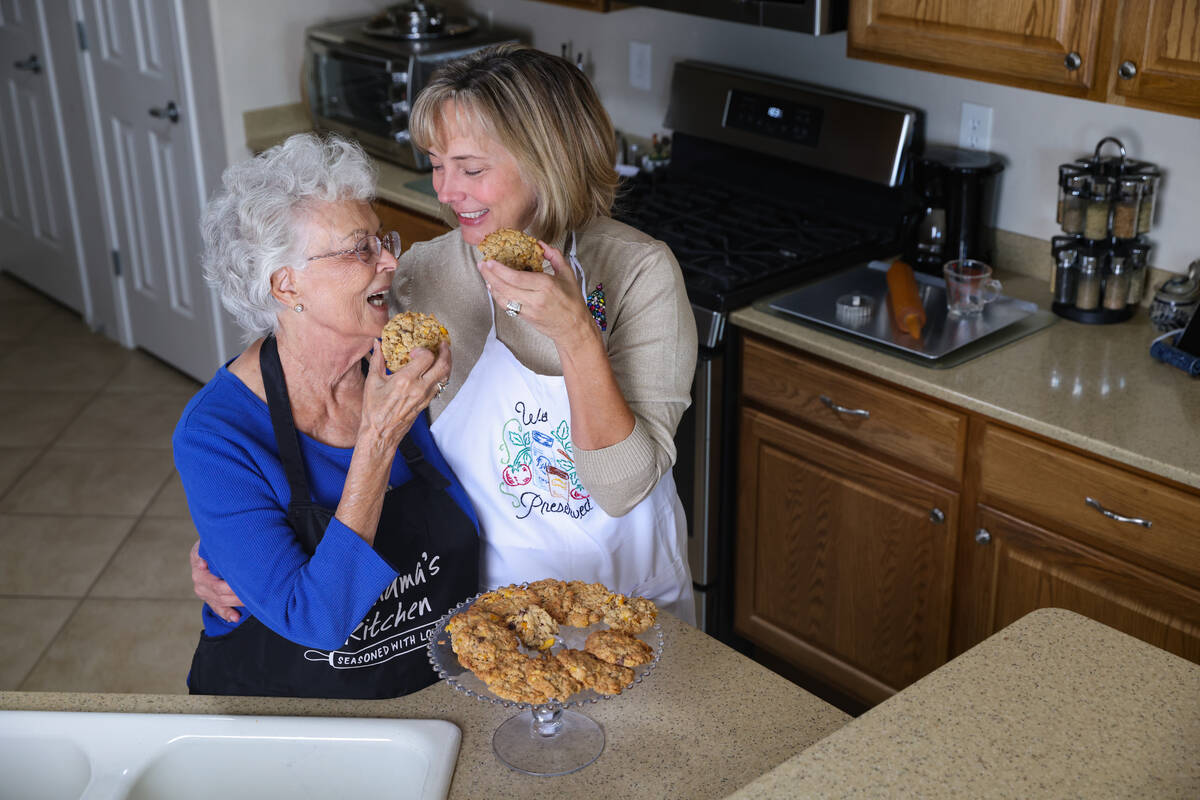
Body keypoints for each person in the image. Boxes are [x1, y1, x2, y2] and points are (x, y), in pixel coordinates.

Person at [194, 44, 698, 623]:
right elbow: (301, 383)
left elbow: (621, 488)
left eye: (471, 169)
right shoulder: (419, 276)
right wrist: (229, 545)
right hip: (487, 605)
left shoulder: (639, 271)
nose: (444, 191)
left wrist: (577, 335)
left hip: (628, 596)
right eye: (436, 163)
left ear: (548, 160)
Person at [174, 133, 479, 698]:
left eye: (382, 240)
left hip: (433, 690)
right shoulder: (215, 436)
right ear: (287, 285)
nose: (391, 259)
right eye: (359, 249)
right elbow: (315, 622)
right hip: (295, 724)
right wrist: (379, 435)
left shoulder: (407, 357)